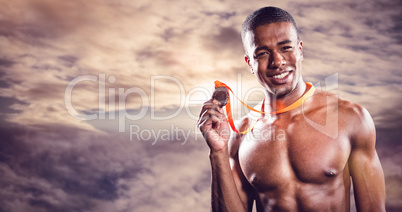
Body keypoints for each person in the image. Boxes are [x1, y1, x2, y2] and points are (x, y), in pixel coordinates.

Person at [197, 6, 385, 212]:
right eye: (262, 53)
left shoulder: (351, 118)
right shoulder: (240, 136)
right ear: (250, 63)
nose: (277, 62)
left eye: (285, 47)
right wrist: (218, 152)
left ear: (300, 50)